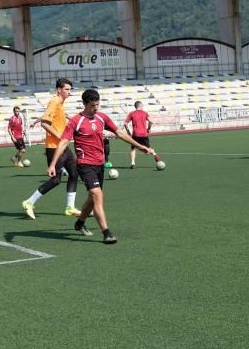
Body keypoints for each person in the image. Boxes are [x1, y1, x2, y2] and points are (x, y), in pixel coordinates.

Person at [47, 88, 154, 245]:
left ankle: (80, 222)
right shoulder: (76, 121)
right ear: (85, 103)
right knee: (97, 195)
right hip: (84, 164)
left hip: (99, 164)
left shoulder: (102, 117)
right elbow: (63, 142)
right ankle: (107, 232)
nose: (96, 108)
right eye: (92, 105)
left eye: (97, 105)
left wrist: (140, 146)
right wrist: (53, 164)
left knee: (92, 198)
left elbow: (120, 133)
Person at [21, 78, 81, 219]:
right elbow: (45, 124)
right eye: (67, 89)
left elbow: (50, 117)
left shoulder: (59, 103)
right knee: (55, 180)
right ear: (59, 90)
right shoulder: (54, 101)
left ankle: (70, 207)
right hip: (54, 147)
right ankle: (29, 202)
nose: (69, 92)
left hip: (63, 146)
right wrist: (60, 137)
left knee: (74, 174)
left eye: (70, 89)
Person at [123, 100, 153, 169]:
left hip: (135, 134)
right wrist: (148, 128)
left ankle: (133, 163)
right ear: (141, 106)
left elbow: (125, 124)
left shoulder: (131, 113)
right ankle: (157, 159)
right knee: (148, 150)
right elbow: (151, 121)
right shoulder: (145, 113)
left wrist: (128, 132)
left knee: (133, 149)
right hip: (144, 134)